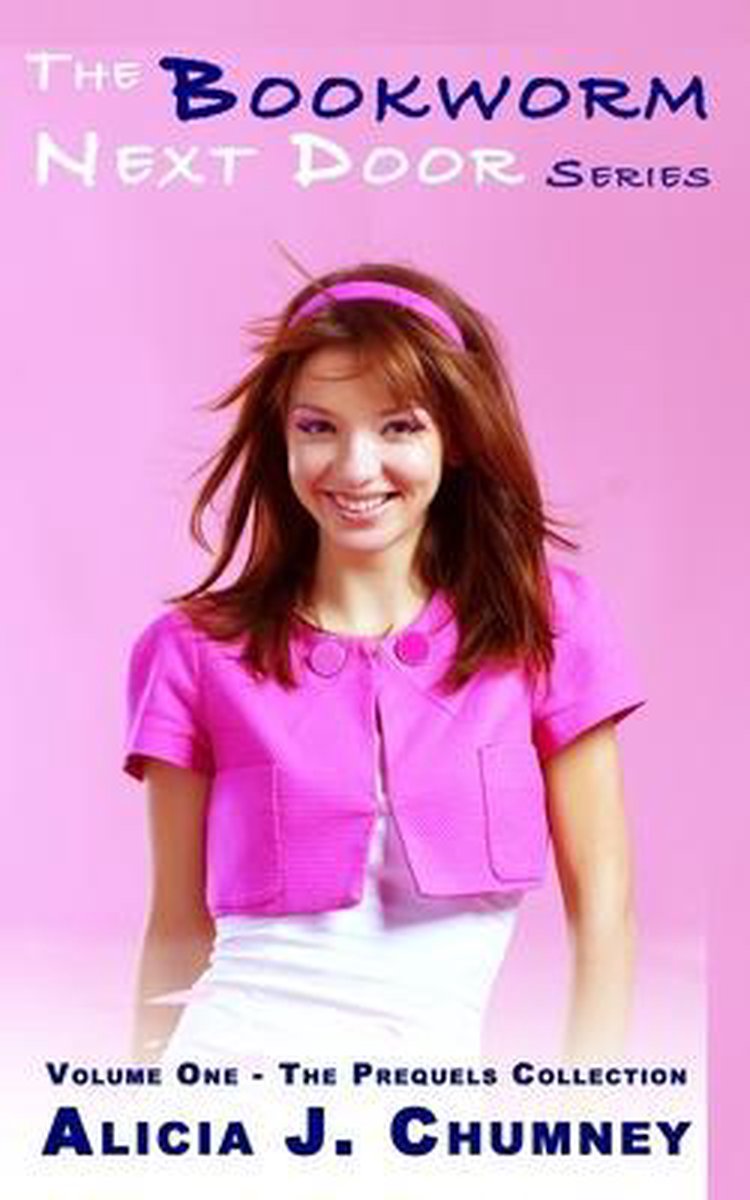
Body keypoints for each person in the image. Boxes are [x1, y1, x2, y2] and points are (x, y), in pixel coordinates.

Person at [123, 261, 645, 1068]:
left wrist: (585, 1113)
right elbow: (175, 927)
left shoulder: (547, 624)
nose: (355, 467)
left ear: (457, 438)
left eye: (398, 427)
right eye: (317, 427)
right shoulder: (191, 652)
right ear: (282, 437)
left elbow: (605, 911)